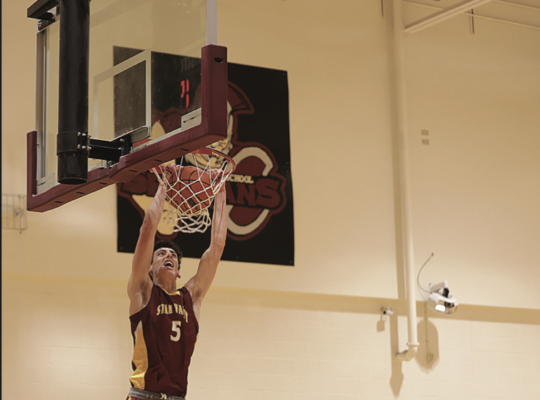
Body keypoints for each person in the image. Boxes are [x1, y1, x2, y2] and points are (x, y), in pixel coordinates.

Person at [126, 180, 228, 400]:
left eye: (172, 255)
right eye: (161, 254)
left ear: (179, 272)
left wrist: (220, 189)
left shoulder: (191, 298)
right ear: (150, 269)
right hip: (143, 395)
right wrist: (164, 183)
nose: (169, 256)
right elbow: (147, 229)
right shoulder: (143, 292)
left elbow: (218, 245)